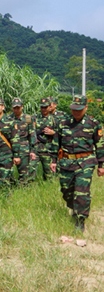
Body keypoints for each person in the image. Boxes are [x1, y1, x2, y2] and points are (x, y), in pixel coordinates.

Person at [50, 95, 104, 232]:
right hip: (67, 162)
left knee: (81, 192)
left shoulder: (93, 123)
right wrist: (53, 161)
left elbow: (100, 145)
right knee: (66, 190)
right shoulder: (63, 123)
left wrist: (101, 165)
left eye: (79, 109)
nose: (76, 112)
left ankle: (80, 220)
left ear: (86, 107)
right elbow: (56, 143)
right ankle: (74, 207)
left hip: (86, 162)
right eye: (74, 109)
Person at [10, 97, 36, 185]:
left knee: (24, 172)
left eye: (18, 107)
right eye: (14, 108)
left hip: (23, 148)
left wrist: (32, 150)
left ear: (22, 107)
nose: (16, 109)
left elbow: (32, 134)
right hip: (10, 147)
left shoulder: (28, 118)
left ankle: (23, 188)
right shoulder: (8, 118)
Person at [33, 97, 58, 180]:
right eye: (42, 107)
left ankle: (48, 188)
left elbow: (61, 134)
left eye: (45, 107)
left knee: (49, 175)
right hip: (35, 150)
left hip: (48, 150)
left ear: (49, 107)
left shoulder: (54, 119)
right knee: (29, 171)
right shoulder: (34, 118)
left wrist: (53, 133)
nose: (43, 109)